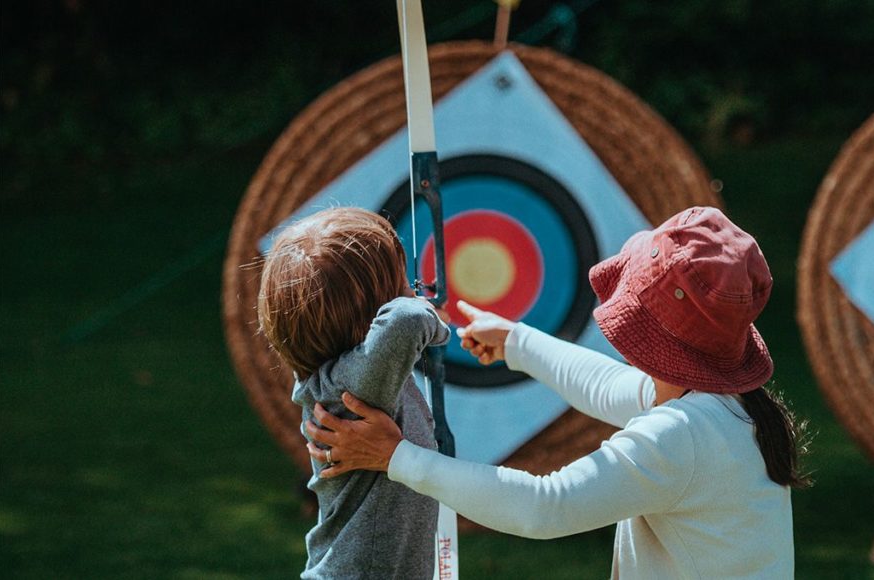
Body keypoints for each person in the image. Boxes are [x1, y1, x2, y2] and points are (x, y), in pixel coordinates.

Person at [306, 206, 809, 579]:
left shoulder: (681, 435)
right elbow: (611, 386)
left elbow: (546, 507)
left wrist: (396, 457)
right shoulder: (724, 407)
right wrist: (518, 343)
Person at [258, 207, 450, 579]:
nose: (412, 292)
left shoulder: (349, 375)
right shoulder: (355, 388)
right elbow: (406, 322)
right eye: (402, 284)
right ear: (371, 315)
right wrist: (432, 318)